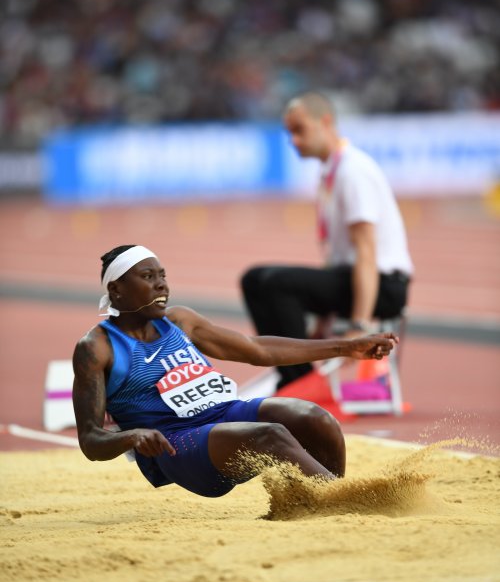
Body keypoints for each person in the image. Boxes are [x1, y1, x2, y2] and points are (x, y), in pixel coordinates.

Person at [72, 244, 398, 499]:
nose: (161, 285)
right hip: (176, 443)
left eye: (163, 275)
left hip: (226, 414)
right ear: (116, 290)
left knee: (316, 418)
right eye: (147, 277)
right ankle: (348, 500)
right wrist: (133, 436)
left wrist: (346, 347)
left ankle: (317, 504)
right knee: (271, 435)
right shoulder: (97, 348)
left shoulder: (179, 320)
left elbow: (257, 350)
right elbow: (90, 440)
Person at [240, 91, 413, 390]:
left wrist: (359, 325)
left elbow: (367, 252)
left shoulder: (353, 171)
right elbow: (337, 256)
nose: (293, 140)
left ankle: (302, 383)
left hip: (384, 285)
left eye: (300, 130)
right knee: (254, 279)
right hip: (350, 277)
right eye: (289, 133)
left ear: (326, 122)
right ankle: (292, 376)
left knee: (277, 284)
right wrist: (323, 319)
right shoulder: (329, 172)